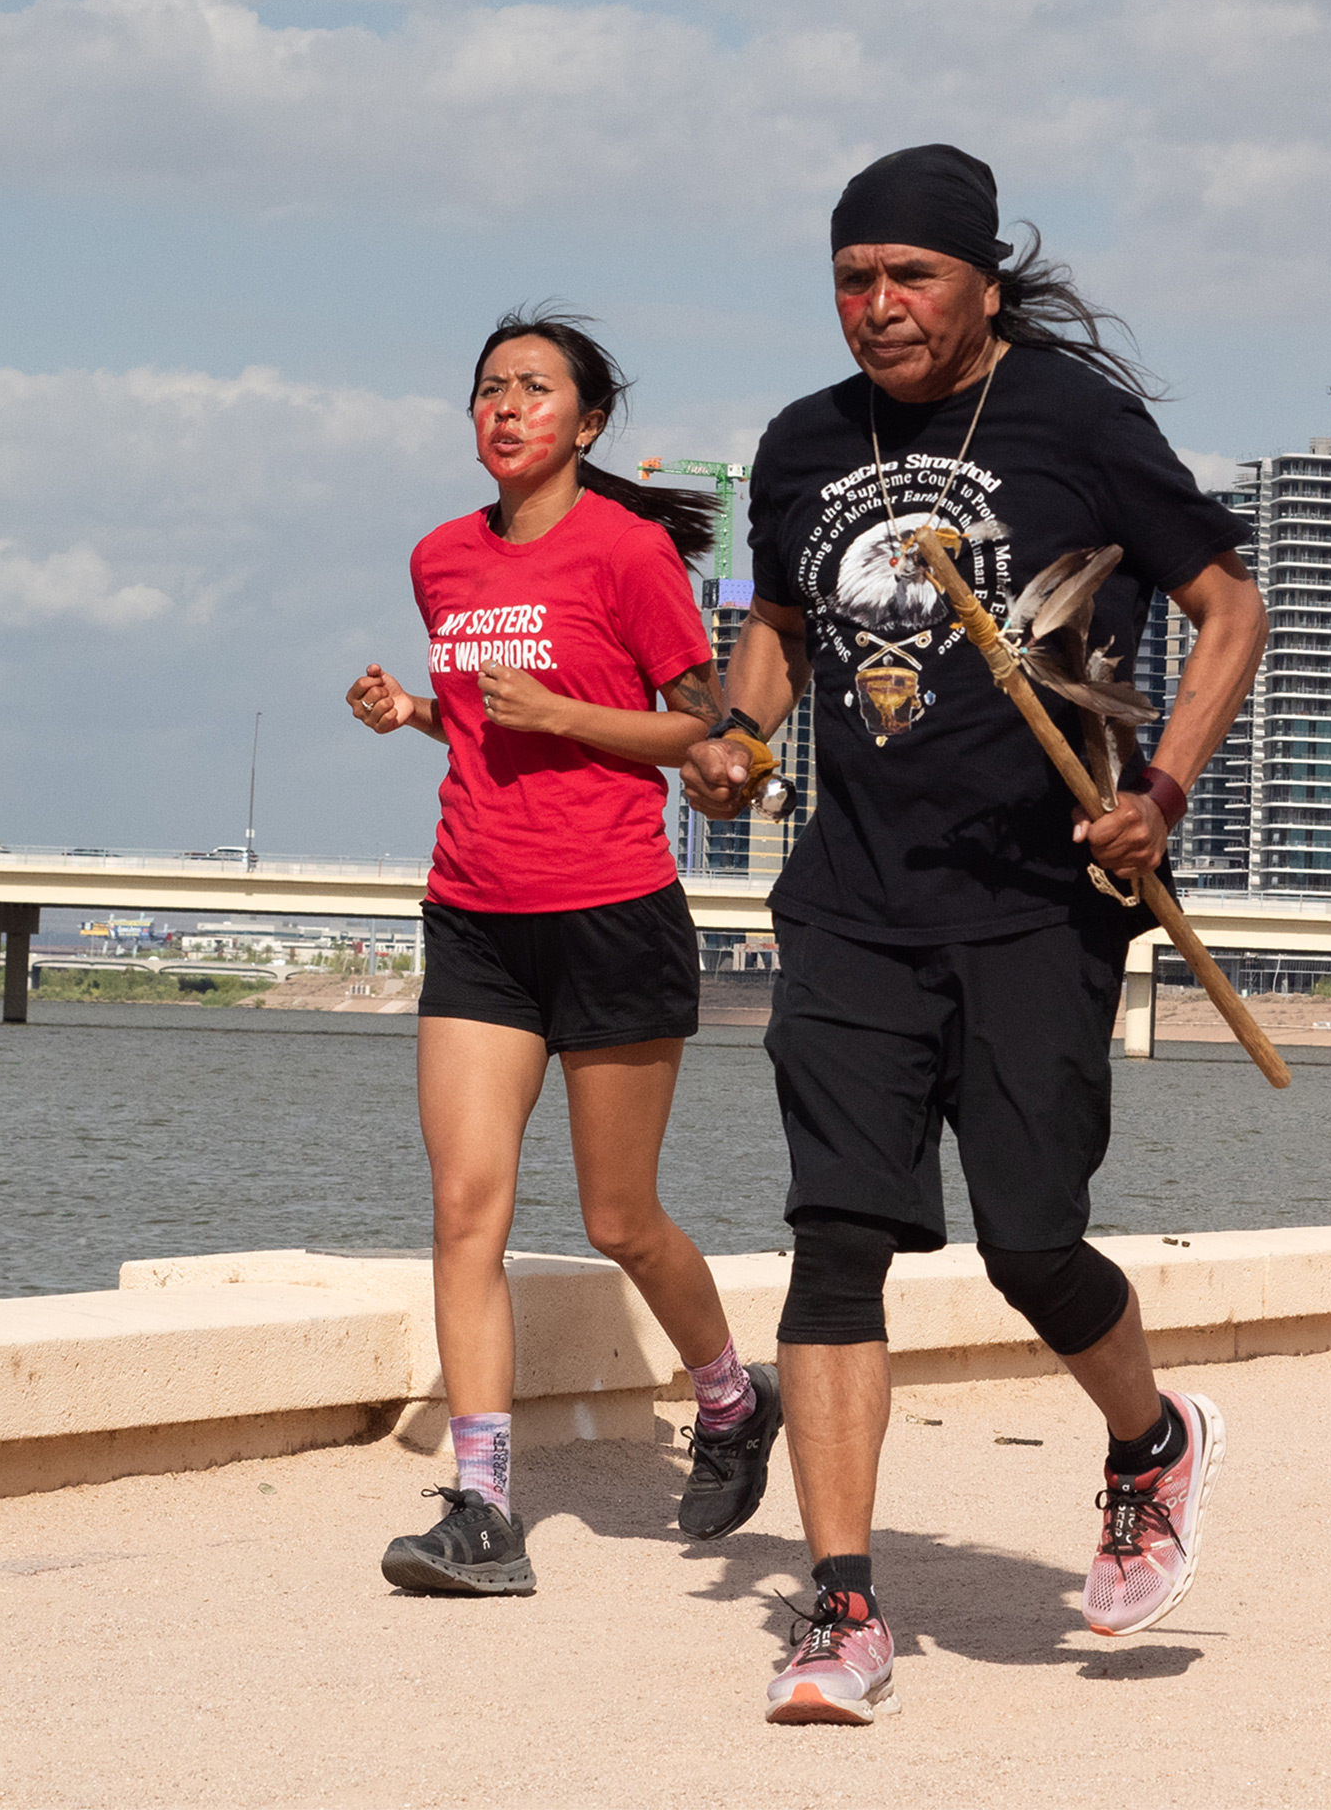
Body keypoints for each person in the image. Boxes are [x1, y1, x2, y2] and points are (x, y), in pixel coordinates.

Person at [680, 146, 1266, 1724]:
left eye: (910, 279)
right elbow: (777, 627)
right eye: (852, 280)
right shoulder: (802, 446)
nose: (879, 308)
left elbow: (1229, 605)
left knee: (1030, 1243)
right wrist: (736, 738)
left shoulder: (1076, 422)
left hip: (1037, 906)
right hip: (854, 910)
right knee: (838, 1237)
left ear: (982, 284)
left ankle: (1150, 1444)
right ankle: (845, 1609)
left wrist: (1160, 791)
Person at [344, 311, 787, 1596]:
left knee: (618, 1216)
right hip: (474, 909)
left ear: (586, 425)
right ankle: (482, 1503)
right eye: (489, 387)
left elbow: (721, 737)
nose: (507, 405)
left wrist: (569, 713)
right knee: (465, 1207)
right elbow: (491, 732)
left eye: (536, 388)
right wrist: (419, 712)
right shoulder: (440, 558)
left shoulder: (630, 551)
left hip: (610, 909)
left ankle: (726, 1398)